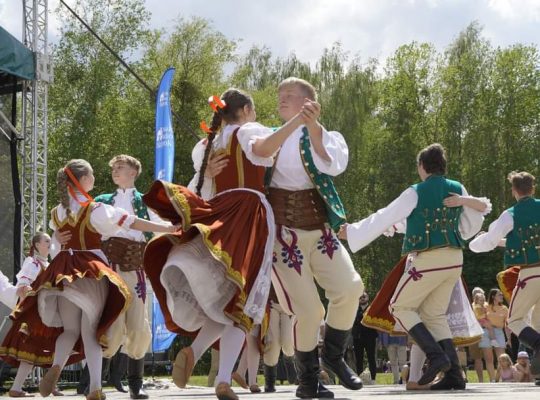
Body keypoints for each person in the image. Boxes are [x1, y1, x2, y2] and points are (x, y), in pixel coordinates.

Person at [143, 89, 309, 400]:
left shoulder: (209, 144)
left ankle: (196, 350)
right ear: (246, 109)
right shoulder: (247, 130)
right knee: (242, 302)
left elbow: (202, 188)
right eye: (254, 109)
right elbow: (262, 147)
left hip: (218, 214)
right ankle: (222, 379)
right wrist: (296, 121)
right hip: (248, 213)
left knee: (227, 299)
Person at [2, 159, 175, 400]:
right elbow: (132, 222)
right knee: (91, 332)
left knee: (70, 330)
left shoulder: (58, 212)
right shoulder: (95, 209)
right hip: (89, 271)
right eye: (92, 174)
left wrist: (60, 242)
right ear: (83, 180)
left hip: (63, 272)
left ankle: (56, 367)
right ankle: (95, 387)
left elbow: (53, 248)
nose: (96, 177)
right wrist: (168, 229)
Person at [340, 143, 489, 391]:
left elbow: (385, 215)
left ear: (422, 166)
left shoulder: (415, 192)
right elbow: (470, 223)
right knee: (433, 315)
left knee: (399, 306)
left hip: (429, 260)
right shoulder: (457, 188)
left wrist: (353, 231)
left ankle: (436, 356)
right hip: (454, 259)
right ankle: (453, 374)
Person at [253, 77, 363, 399]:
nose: (281, 100)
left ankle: (333, 356)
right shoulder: (266, 134)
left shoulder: (328, 136)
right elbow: (255, 154)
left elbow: (333, 165)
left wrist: (313, 128)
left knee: (350, 288)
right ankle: (308, 380)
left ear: (308, 102)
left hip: (319, 231)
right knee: (309, 310)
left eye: (289, 95)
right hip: (284, 236)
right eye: (280, 95)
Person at [93, 154, 160, 399]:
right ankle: (94, 384)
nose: (115, 171)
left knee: (138, 325)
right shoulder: (102, 201)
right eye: (113, 168)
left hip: (135, 268)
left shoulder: (146, 202)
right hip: (109, 268)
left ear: (134, 172)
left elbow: (158, 230)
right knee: (109, 323)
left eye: (120, 167)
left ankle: (135, 385)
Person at [470, 171, 540, 377]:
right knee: (538, 322)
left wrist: (474, 243)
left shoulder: (511, 214)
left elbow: (488, 241)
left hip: (530, 274)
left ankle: (538, 344)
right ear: (533, 189)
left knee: (515, 320)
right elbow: (516, 240)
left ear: (514, 191)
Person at [0, 233, 57, 398]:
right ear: (37, 245)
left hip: (43, 314)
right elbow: (23, 286)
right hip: (33, 316)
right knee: (32, 350)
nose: (50, 242)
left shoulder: (48, 264)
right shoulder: (32, 262)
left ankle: (46, 385)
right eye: (46, 240)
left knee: (47, 349)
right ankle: (17, 387)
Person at [262, 286, 295, 393]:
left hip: (290, 304)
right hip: (271, 303)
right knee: (273, 343)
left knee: (288, 341)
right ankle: (270, 380)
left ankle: (289, 360)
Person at [477, 288, 509, 382]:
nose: (502, 296)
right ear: (493, 296)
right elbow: (478, 317)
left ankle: (499, 378)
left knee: (502, 358)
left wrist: (509, 338)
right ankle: (492, 380)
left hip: (499, 332)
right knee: (489, 358)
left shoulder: (504, 308)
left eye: (501, 294)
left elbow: (506, 325)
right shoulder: (485, 306)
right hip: (486, 331)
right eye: (499, 295)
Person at [352, 293, 378, 384]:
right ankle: (359, 378)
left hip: (370, 337)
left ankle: (373, 379)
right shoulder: (354, 308)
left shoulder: (372, 308)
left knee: (371, 358)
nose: (362, 298)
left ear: (368, 298)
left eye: (364, 297)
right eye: (360, 297)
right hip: (357, 337)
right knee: (359, 359)